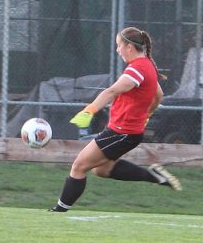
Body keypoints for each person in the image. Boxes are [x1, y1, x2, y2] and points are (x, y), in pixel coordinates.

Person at [49, 26, 182, 213]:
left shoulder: (137, 68)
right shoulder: (148, 66)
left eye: (119, 45)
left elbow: (111, 91)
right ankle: (154, 176)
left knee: (79, 166)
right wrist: (147, 115)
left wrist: (89, 110)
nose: (117, 50)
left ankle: (59, 210)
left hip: (121, 132)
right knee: (101, 170)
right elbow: (158, 94)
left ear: (129, 46)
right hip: (128, 133)